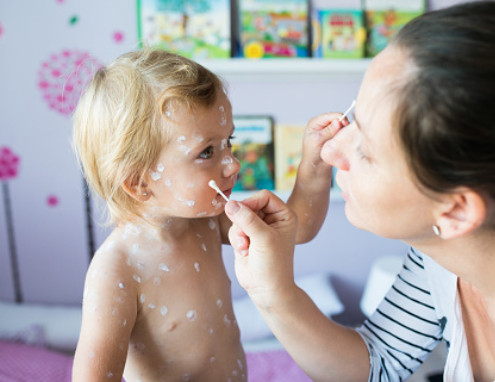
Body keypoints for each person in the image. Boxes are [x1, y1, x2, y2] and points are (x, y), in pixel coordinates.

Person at [224, 2, 495, 381]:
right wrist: (272, 292)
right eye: (352, 116)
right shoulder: (437, 257)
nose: (330, 150)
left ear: (456, 212)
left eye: (365, 150)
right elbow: (378, 363)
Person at [71, 49, 338, 381]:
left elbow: (298, 227)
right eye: (207, 152)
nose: (233, 164)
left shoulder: (206, 221)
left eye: (230, 141)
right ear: (139, 183)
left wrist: (316, 163)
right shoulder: (117, 270)